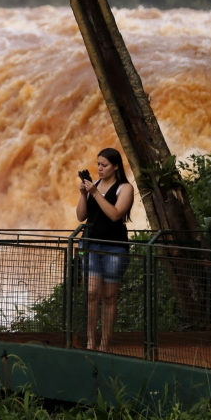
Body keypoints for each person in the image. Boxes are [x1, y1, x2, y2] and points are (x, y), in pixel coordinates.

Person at [76, 147, 135, 352]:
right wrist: (84, 195)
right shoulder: (96, 184)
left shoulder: (124, 188)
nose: (99, 168)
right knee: (92, 292)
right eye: (98, 164)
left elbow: (115, 214)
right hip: (90, 244)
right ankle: (91, 341)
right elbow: (81, 216)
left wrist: (95, 192)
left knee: (109, 296)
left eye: (104, 165)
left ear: (116, 166)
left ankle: (105, 343)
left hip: (114, 247)